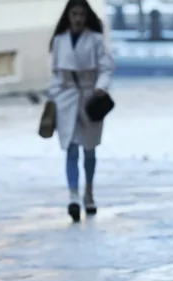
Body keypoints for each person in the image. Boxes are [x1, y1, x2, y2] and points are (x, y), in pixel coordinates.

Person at [48, 0, 115, 222]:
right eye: (74, 14)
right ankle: (73, 196)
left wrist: (100, 88)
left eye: (81, 14)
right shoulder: (59, 40)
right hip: (66, 99)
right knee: (71, 148)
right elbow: (56, 73)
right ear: (68, 15)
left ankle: (89, 193)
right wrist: (54, 96)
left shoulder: (95, 40)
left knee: (89, 149)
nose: (77, 18)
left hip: (89, 98)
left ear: (86, 17)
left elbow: (106, 67)